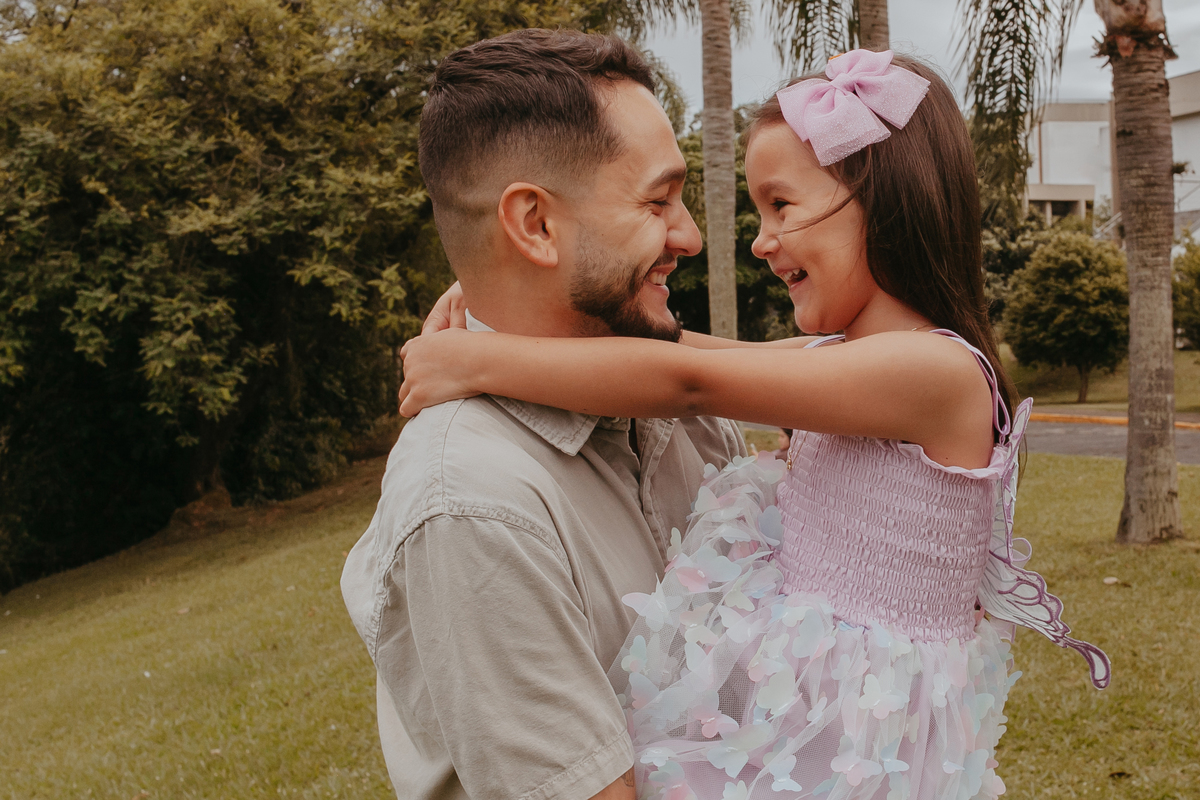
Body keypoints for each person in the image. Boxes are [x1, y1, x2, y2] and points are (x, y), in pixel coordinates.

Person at [398, 50, 1110, 800]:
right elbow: (685, 351)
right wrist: (498, 295)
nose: (759, 241)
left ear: (881, 201)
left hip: (858, 732)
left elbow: (690, 379)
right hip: (811, 713)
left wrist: (479, 361)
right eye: (657, 203)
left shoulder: (933, 373)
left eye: (782, 207)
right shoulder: (848, 357)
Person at [339, 28, 754, 800]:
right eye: (658, 200)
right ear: (533, 224)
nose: (688, 235)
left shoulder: (687, 409)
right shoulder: (473, 499)